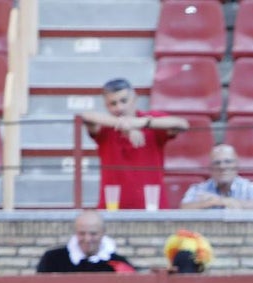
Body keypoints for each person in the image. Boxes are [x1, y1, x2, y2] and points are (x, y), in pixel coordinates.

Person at [78, 78, 189, 210]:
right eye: (113, 104)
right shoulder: (105, 127)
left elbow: (182, 124)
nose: (119, 107)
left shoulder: (150, 120)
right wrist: (126, 125)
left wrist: (142, 123)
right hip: (112, 209)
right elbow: (85, 116)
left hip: (152, 208)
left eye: (124, 101)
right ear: (106, 106)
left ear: (135, 99)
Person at [36, 210, 136, 273]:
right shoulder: (52, 260)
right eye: (82, 233)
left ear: (102, 233)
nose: (87, 239)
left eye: (93, 234)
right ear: (75, 232)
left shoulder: (119, 265)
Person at [179, 144, 253, 210]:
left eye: (228, 162)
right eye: (217, 163)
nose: (222, 167)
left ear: (236, 165)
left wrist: (223, 201)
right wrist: (209, 203)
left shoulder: (251, 188)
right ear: (210, 168)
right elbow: (183, 208)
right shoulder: (198, 189)